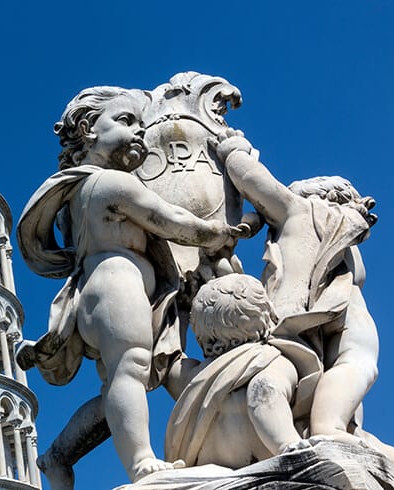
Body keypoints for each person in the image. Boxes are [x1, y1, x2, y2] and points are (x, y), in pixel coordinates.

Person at [17, 86, 246, 484]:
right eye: (126, 121)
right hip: (116, 283)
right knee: (131, 369)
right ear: (88, 129)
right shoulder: (110, 183)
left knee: (121, 382)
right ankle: (141, 461)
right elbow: (170, 220)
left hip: (111, 288)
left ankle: (59, 454)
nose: (139, 131)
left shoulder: (77, 191)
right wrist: (218, 232)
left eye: (142, 123)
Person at [163, 274, 394, 484]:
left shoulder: (196, 376)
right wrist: (289, 444)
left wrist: (181, 311)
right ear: (267, 317)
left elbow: (170, 361)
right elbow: (264, 392)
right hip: (273, 452)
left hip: (214, 465)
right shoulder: (269, 359)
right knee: (370, 445)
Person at [214, 130, 380, 447]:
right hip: (351, 320)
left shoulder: (298, 210)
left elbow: (252, 179)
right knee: (355, 365)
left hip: (301, 319)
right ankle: (331, 424)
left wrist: (233, 150)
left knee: (342, 369)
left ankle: (327, 427)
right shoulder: (349, 237)